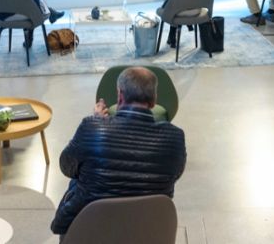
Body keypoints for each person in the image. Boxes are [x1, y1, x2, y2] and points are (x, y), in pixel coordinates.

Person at [51, 67, 186, 237]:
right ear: (154, 101)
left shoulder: (92, 127)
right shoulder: (175, 137)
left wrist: (97, 123)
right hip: (147, 233)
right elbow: (175, 174)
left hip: (89, 232)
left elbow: (66, 166)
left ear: (120, 96)